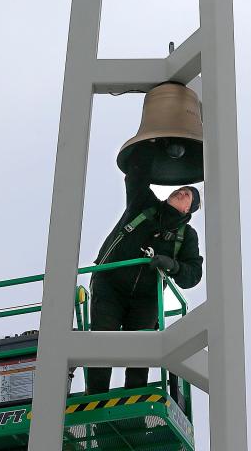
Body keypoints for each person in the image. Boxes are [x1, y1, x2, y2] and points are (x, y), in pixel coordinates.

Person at [86, 147, 203, 395]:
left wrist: (172, 265)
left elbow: (193, 275)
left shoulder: (186, 236)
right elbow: (136, 175)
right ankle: (95, 397)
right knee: (101, 343)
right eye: (179, 190)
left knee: (141, 350)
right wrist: (150, 144)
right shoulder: (143, 204)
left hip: (147, 298)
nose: (180, 192)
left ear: (188, 210)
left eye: (187, 195)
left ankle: (134, 401)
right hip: (110, 284)